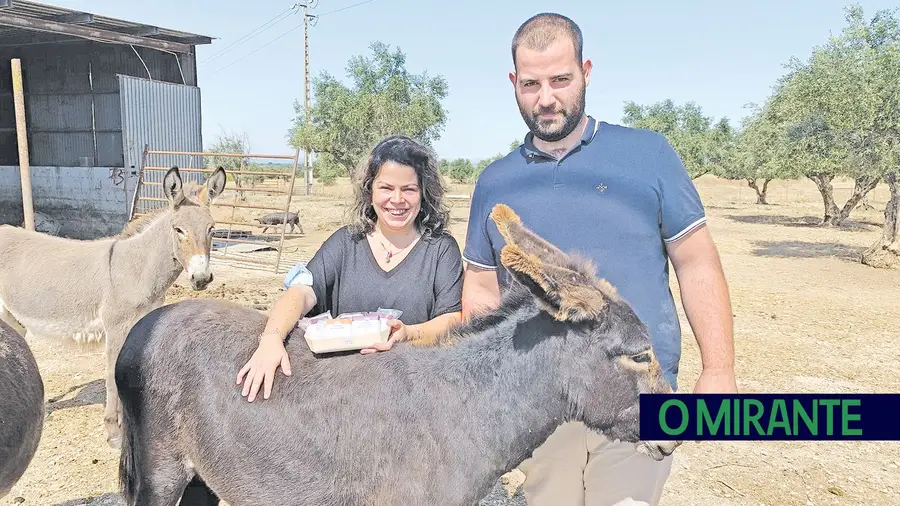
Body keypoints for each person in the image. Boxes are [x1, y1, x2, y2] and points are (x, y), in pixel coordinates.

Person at [461, 12, 738, 506]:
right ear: (513, 83)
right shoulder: (494, 182)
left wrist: (718, 370)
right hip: (539, 405)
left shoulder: (648, 154)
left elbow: (696, 263)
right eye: (531, 84)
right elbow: (482, 289)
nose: (546, 98)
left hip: (637, 396)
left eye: (561, 80)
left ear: (586, 71)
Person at [236, 134, 464, 403]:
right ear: (370, 192)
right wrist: (271, 340)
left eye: (409, 189)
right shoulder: (346, 242)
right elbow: (300, 293)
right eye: (386, 188)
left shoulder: (441, 249)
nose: (397, 199)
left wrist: (409, 334)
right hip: (343, 396)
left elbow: (453, 319)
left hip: (414, 396)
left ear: (424, 194)